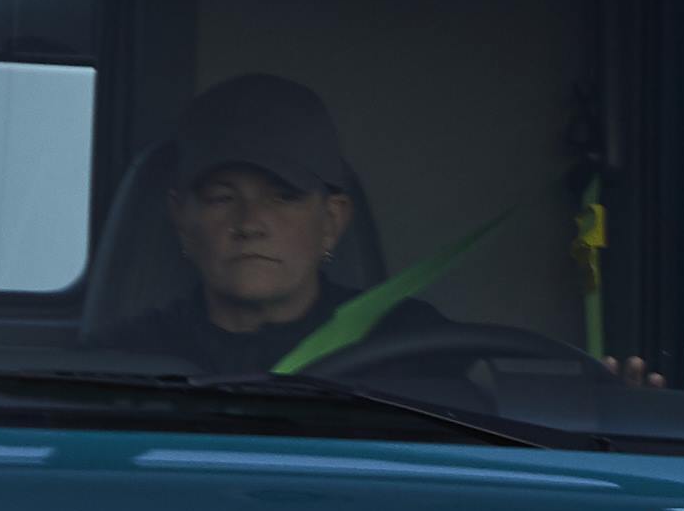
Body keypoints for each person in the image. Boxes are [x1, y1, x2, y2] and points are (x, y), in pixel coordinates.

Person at [97, 71, 455, 378]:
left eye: (284, 197)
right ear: (182, 219)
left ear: (332, 220)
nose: (250, 224)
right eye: (221, 198)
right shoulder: (125, 360)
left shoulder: (410, 345)